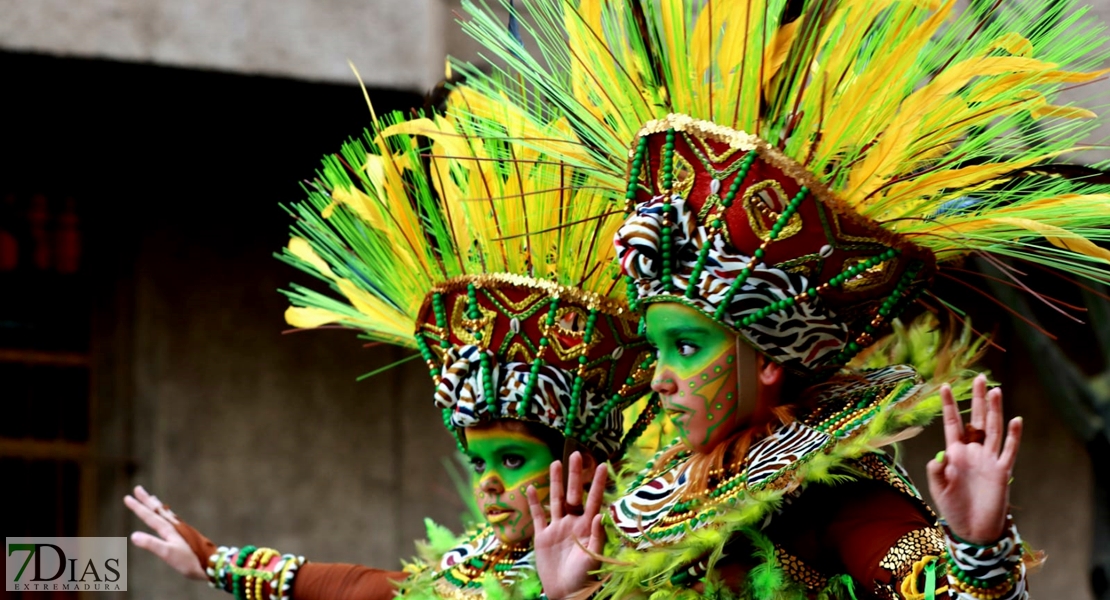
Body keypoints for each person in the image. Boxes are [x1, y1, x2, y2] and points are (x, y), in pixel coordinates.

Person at [447, 1, 1110, 598]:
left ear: (766, 357)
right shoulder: (640, 501)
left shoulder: (832, 495)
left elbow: (935, 589)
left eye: (686, 346)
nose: (660, 380)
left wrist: (979, 545)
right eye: (657, 349)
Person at [124, 108, 656, 600]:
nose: (488, 483)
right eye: (479, 460)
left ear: (584, 470)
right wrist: (214, 561)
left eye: (512, 460)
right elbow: (361, 587)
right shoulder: (471, 568)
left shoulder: (642, 556)